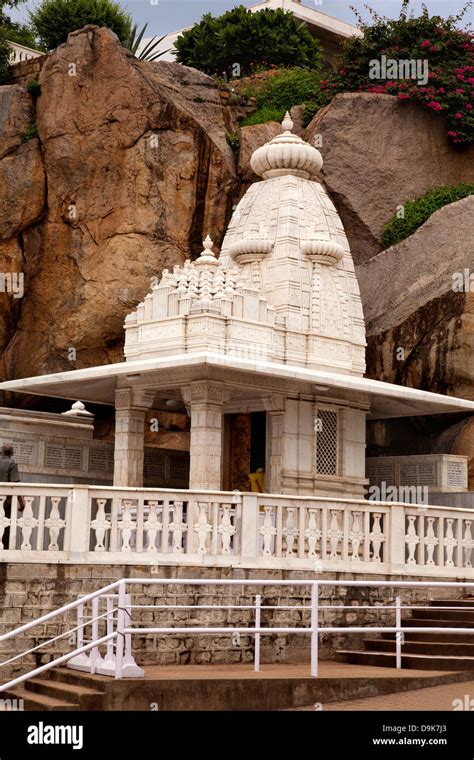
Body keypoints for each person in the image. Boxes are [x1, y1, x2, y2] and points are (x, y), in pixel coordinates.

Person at [0, 444, 25, 549]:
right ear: (12, 453)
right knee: (5, 527)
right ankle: (3, 551)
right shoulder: (11, 464)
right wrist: (22, 502)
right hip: (6, 502)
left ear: (1, 452)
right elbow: (15, 485)